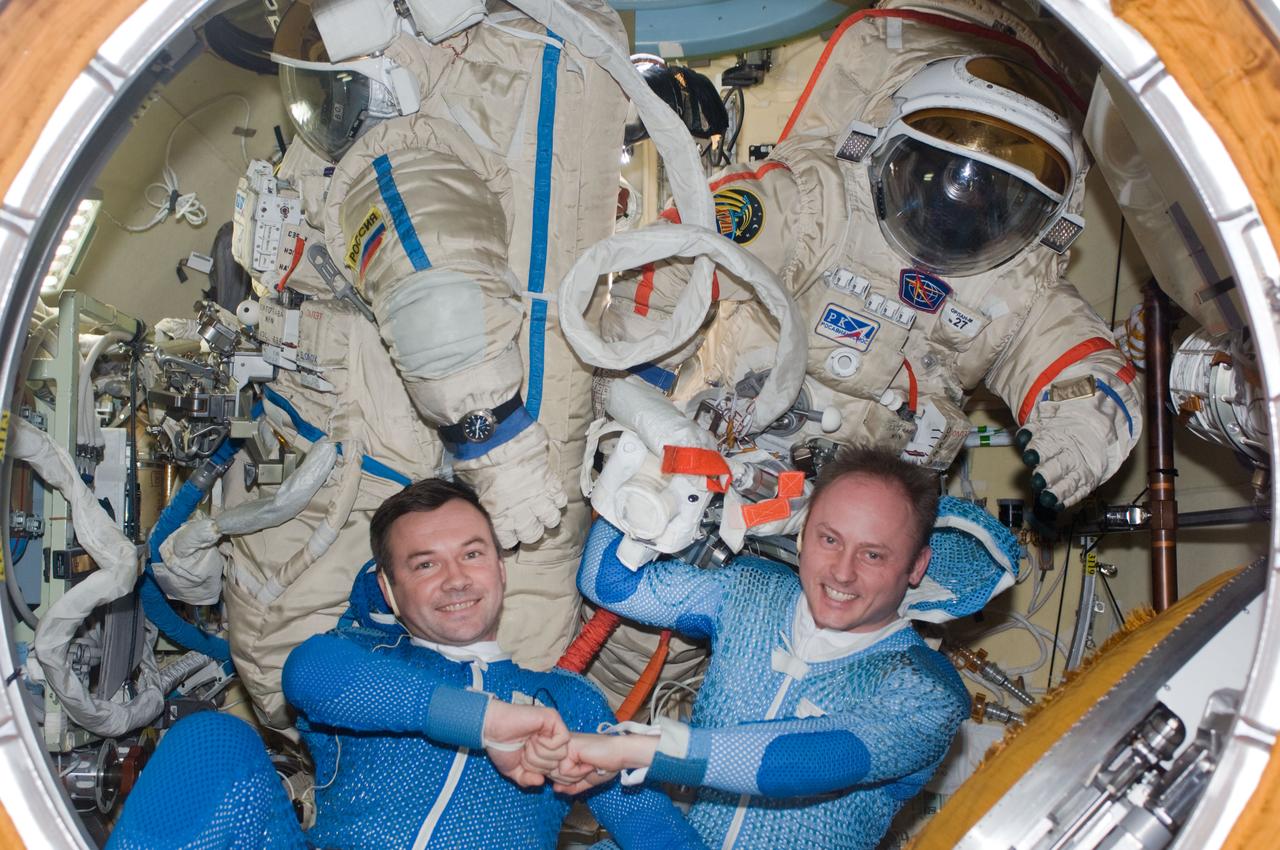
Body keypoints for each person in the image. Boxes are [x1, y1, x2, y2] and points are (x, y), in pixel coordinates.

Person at [109, 478, 706, 850]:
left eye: (472, 554)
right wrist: (486, 722)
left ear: (500, 569)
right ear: (390, 594)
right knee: (208, 739)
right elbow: (307, 675)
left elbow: (652, 828)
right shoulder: (369, 663)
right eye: (424, 564)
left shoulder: (565, 701)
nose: (454, 579)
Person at [560, 447, 1021, 850]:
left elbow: (801, 761)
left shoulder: (927, 690)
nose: (842, 573)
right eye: (829, 539)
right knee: (559, 696)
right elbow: (609, 583)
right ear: (802, 536)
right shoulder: (752, 591)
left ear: (917, 565)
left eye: (873, 554)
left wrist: (641, 749)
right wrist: (639, 483)